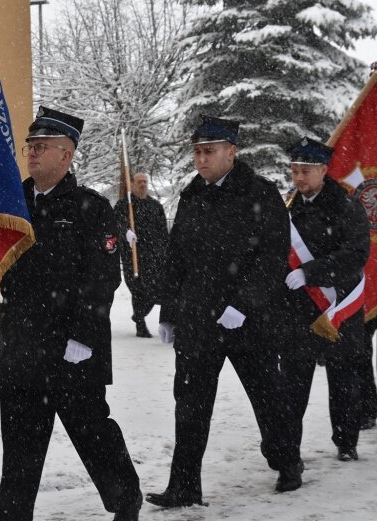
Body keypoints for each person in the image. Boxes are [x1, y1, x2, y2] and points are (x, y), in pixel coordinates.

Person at [0, 106, 142, 521]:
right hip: (22, 346)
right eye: (30, 146)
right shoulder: (11, 202)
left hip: (71, 349)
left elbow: (101, 279)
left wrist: (83, 337)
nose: (32, 153)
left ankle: (125, 498)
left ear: (67, 154)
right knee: (20, 446)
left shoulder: (89, 208)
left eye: (42, 147)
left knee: (92, 433)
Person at [147, 116, 296, 507]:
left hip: (249, 322)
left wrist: (244, 305)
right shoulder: (191, 195)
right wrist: (168, 310)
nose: (201, 159)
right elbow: (176, 256)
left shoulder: (261, 193)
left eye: (208, 151)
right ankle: (184, 485)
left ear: (232, 152)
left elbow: (272, 259)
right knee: (190, 405)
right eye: (196, 152)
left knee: (267, 396)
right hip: (199, 319)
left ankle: (287, 459)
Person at [280, 137, 370, 465]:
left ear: (323, 170)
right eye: (294, 171)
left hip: (339, 307)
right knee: (292, 385)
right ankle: (289, 450)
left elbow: (355, 254)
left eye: (305, 171)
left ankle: (346, 441)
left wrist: (311, 273)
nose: (298, 177)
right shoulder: (288, 208)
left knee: (344, 381)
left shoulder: (346, 205)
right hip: (298, 312)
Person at [114, 173, 169, 337]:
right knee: (138, 290)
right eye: (139, 182)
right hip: (133, 256)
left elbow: (163, 232)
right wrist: (126, 232)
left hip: (154, 257)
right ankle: (140, 324)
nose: (143, 184)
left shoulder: (155, 205)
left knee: (153, 291)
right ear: (132, 184)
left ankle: (138, 315)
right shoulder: (124, 205)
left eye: (145, 182)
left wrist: (165, 252)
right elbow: (115, 224)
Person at [358, 312, 377, 432]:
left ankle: (368, 410)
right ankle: (367, 409)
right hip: (366, 299)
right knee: (360, 353)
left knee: (363, 354)